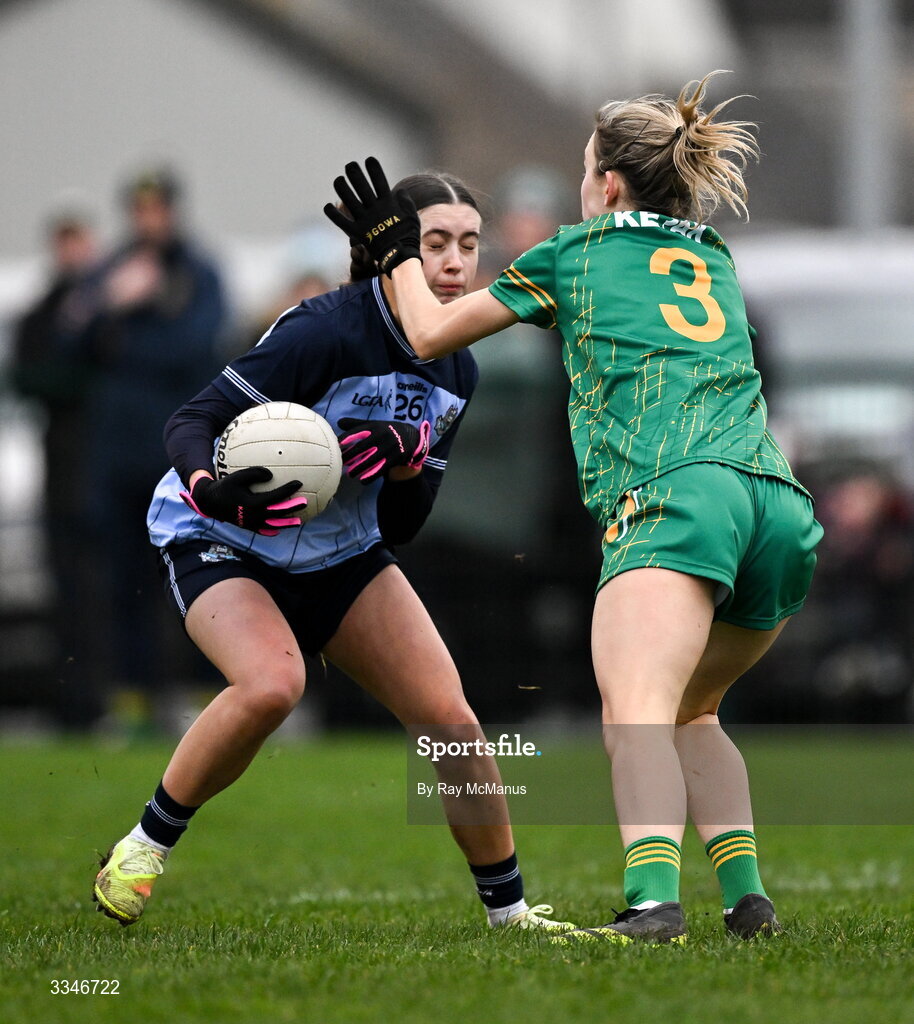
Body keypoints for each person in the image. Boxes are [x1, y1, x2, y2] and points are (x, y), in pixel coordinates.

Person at [323, 71, 823, 944]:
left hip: (677, 495)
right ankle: (748, 900)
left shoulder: (577, 252)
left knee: (634, 711)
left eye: (587, 168)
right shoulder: (712, 254)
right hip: (774, 504)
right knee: (690, 713)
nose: (582, 183)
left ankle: (653, 902)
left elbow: (429, 332)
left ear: (611, 186)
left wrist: (393, 251)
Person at [91, 170, 572, 934]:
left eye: (470, 245)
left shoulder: (459, 365)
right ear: (396, 255)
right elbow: (193, 418)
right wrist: (210, 486)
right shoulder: (324, 330)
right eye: (435, 243)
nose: (454, 263)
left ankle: (509, 916)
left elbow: (406, 523)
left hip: (341, 552)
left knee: (453, 721)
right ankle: (145, 844)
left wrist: (407, 463)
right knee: (272, 686)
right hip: (225, 537)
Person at [67, 168, 226, 717]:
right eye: (139, 211)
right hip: (117, 457)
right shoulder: (112, 270)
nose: (148, 220)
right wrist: (113, 306)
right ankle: (134, 700)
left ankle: (212, 695)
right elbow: (72, 343)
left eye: (157, 209)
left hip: (176, 456)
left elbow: (194, 347)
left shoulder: (198, 272)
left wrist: (135, 322)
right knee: (123, 583)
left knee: (198, 573)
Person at [10, 209, 103, 728]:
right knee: (67, 589)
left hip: (103, 470)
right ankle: (75, 705)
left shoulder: (107, 304)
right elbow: (27, 378)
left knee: (106, 589)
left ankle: (113, 699)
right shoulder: (45, 310)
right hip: (62, 469)